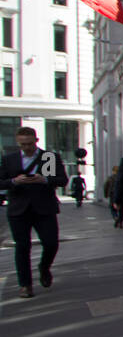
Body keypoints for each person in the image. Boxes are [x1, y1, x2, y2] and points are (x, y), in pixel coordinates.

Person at [0, 127, 67, 298]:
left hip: (44, 207)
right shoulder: (9, 159)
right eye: (23, 144)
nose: (27, 147)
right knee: (22, 247)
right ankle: (25, 285)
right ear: (18, 143)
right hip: (18, 209)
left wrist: (44, 179)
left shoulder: (48, 157)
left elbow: (60, 180)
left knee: (51, 243)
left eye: (29, 144)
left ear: (36, 141)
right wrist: (14, 181)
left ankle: (44, 268)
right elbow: (1, 182)